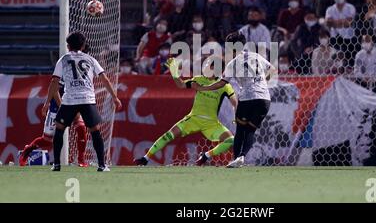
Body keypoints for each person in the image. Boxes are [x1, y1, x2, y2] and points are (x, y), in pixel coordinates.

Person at [134, 56, 237, 166]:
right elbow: (181, 84)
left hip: (211, 123)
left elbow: (235, 102)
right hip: (193, 119)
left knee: (230, 140)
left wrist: (236, 116)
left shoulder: (225, 86)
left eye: (209, 66)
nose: (206, 68)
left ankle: (206, 155)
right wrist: (174, 73)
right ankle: (145, 158)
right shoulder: (198, 79)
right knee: (168, 135)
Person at [194, 32, 276, 168]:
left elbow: (222, 83)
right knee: (250, 130)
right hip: (264, 99)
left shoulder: (232, 63)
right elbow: (272, 70)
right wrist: (263, 83)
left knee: (240, 131)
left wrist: (204, 88)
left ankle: (237, 158)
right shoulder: (256, 56)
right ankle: (241, 157)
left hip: (247, 99)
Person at [42, 32, 121, 171]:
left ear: (68, 46)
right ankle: (102, 165)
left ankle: (57, 164)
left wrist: (47, 102)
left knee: (59, 130)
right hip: (87, 99)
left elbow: (54, 82)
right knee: (95, 131)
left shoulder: (63, 59)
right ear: (84, 45)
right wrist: (114, 97)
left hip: (69, 100)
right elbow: (104, 79)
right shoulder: (90, 59)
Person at [19, 82, 88, 167]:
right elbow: (54, 89)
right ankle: (27, 150)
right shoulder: (61, 70)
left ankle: (81, 160)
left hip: (72, 105)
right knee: (47, 140)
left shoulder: (79, 72)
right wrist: (54, 105)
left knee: (81, 128)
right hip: (56, 109)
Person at [288, 10, 322, 75]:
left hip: (316, 53)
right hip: (302, 53)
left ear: (316, 19)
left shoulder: (320, 28)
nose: (310, 20)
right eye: (308, 18)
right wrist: (299, 53)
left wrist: (313, 48)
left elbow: (322, 41)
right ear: (304, 18)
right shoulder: (300, 27)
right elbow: (293, 41)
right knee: (295, 66)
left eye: (312, 18)